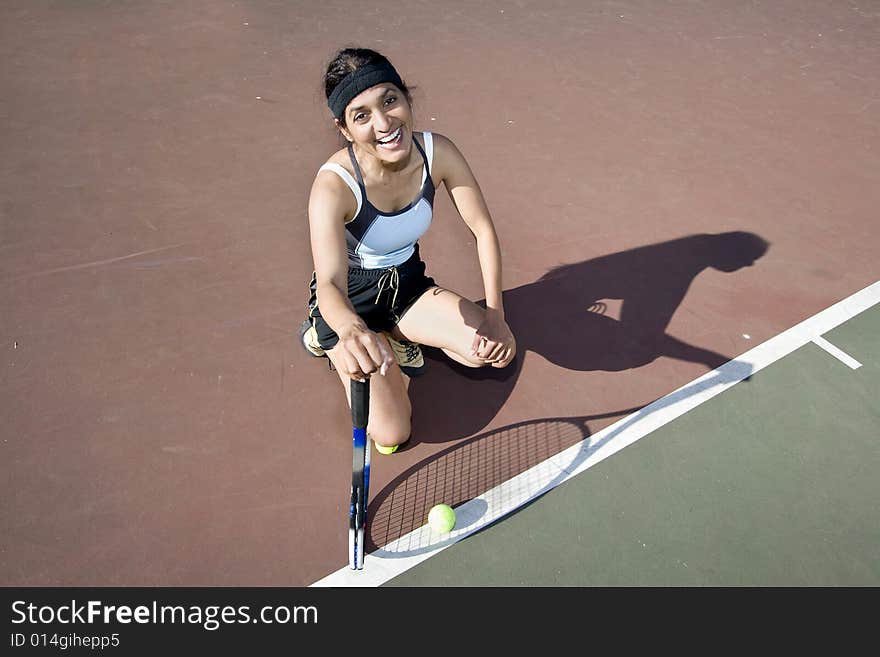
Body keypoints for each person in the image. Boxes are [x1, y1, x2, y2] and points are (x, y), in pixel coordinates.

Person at [299, 47, 516, 454]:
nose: (383, 123)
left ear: (406, 97)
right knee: (393, 433)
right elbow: (328, 281)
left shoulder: (439, 153)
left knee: (489, 353)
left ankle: (396, 333)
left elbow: (482, 230)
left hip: (408, 285)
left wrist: (495, 314)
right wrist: (348, 329)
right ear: (344, 129)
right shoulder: (333, 186)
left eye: (389, 100)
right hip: (350, 301)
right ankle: (329, 340)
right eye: (361, 115)